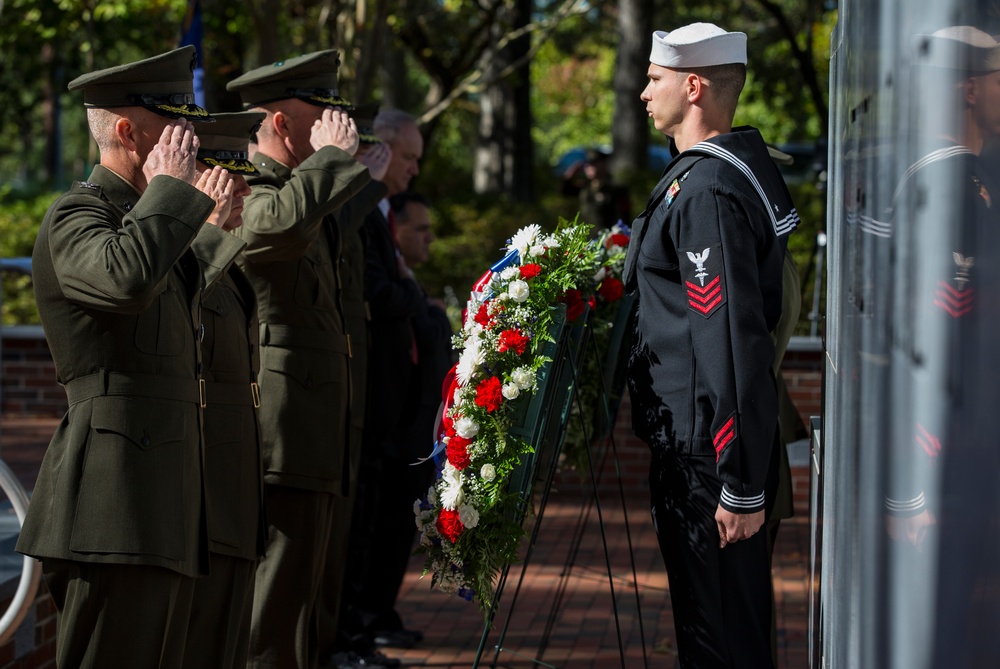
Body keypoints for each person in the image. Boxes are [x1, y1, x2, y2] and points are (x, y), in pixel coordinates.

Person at [14, 46, 240, 667]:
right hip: (110, 507)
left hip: (159, 502)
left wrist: (206, 224)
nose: (190, 137)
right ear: (126, 131)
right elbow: (124, 280)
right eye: (175, 122)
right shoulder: (77, 214)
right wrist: (170, 190)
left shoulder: (150, 222)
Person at [622, 23, 797, 668]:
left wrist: (738, 483)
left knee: (720, 638)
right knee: (714, 628)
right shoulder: (706, 177)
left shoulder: (707, 190)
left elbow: (728, 336)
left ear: (693, 87)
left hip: (708, 454)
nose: (643, 92)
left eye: (654, 78)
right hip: (700, 448)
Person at [225, 50, 372, 669]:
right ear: (283, 124)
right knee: (274, 608)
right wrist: (335, 164)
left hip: (320, 432)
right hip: (278, 436)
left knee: (313, 602)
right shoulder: (250, 186)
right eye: (326, 113)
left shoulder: (309, 193)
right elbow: (265, 231)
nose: (341, 126)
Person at [337, 109, 427, 658]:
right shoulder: (365, 211)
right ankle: (350, 635)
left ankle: (360, 630)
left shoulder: (383, 209)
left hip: (390, 400)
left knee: (376, 523)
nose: (415, 169)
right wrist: (415, 295)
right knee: (358, 529)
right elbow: (370, 294)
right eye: (409, 157)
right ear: (382, 150)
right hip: (365, 397)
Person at [181, 111, 268, 669]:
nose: (240, 187)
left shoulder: (226, 262)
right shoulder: (182, 265)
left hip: (234, 492)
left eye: (242, 171)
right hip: (202, 498)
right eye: (223, 172)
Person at [316, 103, 396, 669]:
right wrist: (358, 179)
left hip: (348, 391)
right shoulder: (310, 201)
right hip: (314, 401)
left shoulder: (344, 202)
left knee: (343, 539)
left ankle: (342, 642)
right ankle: (335, 643)